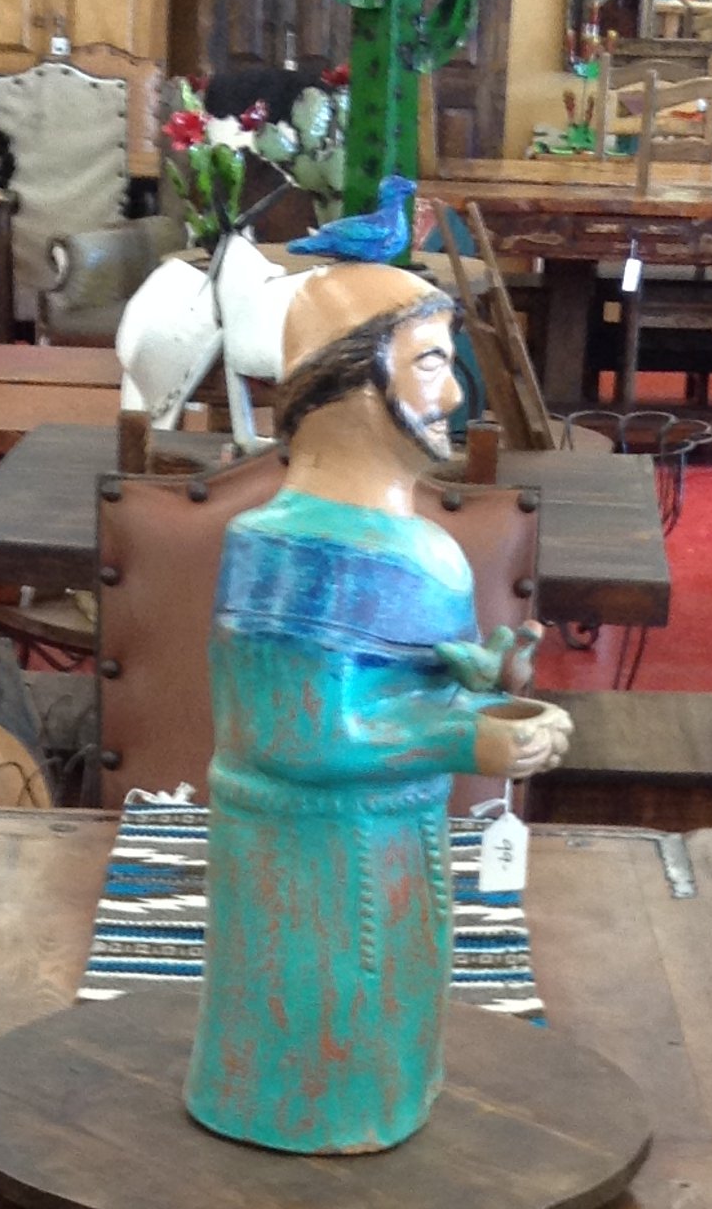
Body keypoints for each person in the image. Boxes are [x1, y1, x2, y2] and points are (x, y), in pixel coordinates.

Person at [184, 264, 573, 1155]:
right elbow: (294, 732)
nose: (457, 392)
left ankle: (373, 1100)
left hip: (398, 839)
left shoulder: (425, 544)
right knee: (324, 1017)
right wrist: (466, 733)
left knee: (387, 1011)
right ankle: (290, 1114)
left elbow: (404, 680)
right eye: (431, 362)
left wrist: (489, 678)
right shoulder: (286, 548)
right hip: (309, 858)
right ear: (355, 385)